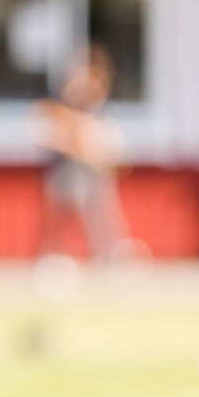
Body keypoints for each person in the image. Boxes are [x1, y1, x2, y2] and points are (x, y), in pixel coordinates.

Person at [37, 44, 129, 264]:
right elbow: (44, 131)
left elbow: (116, 156)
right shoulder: (57, 109)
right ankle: (54, 257)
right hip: (64, 174)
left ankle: (108, 256)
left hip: (95, 178)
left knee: (101, 215)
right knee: (56, 219)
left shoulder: (101, 116)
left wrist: (88, 147)